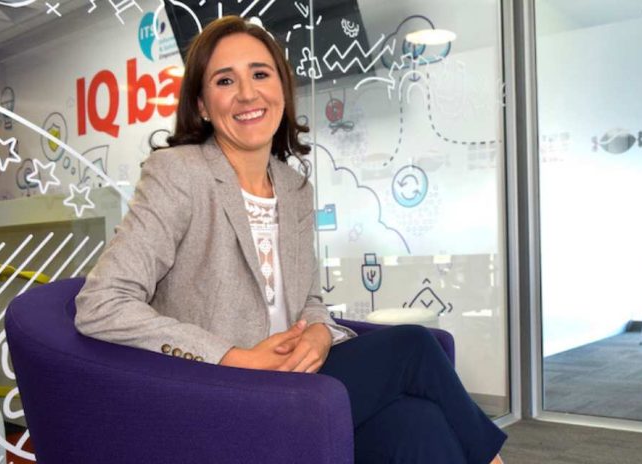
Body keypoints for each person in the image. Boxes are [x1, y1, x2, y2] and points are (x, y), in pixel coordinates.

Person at [75, 15, 506, 464]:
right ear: (202, 104)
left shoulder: (295, 188)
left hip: (302, 380)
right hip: (226, 393)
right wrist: (229, 356)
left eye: (260, 74)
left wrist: (320, 332)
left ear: (282, 88)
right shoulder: (178, 173)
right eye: (225, 80)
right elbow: (102, 304)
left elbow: (308, 299)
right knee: (414, 345)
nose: (247, 93)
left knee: (418, 424)